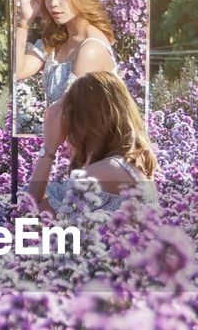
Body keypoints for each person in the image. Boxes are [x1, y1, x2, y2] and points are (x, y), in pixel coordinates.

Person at [13, 0, 120, 200]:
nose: (53, 4)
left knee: (33, 210)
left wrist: (47, 160)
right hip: (73, 158)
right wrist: (24, 21)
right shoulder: (58, 40)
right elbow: (17, 71)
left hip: (98, 165)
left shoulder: (90, 49)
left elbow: (63, 118)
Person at [32, 69, 157, 218]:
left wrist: (49, 148)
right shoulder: (128, 166)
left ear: (82, 121)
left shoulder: (102, 172)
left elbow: (29, 216)